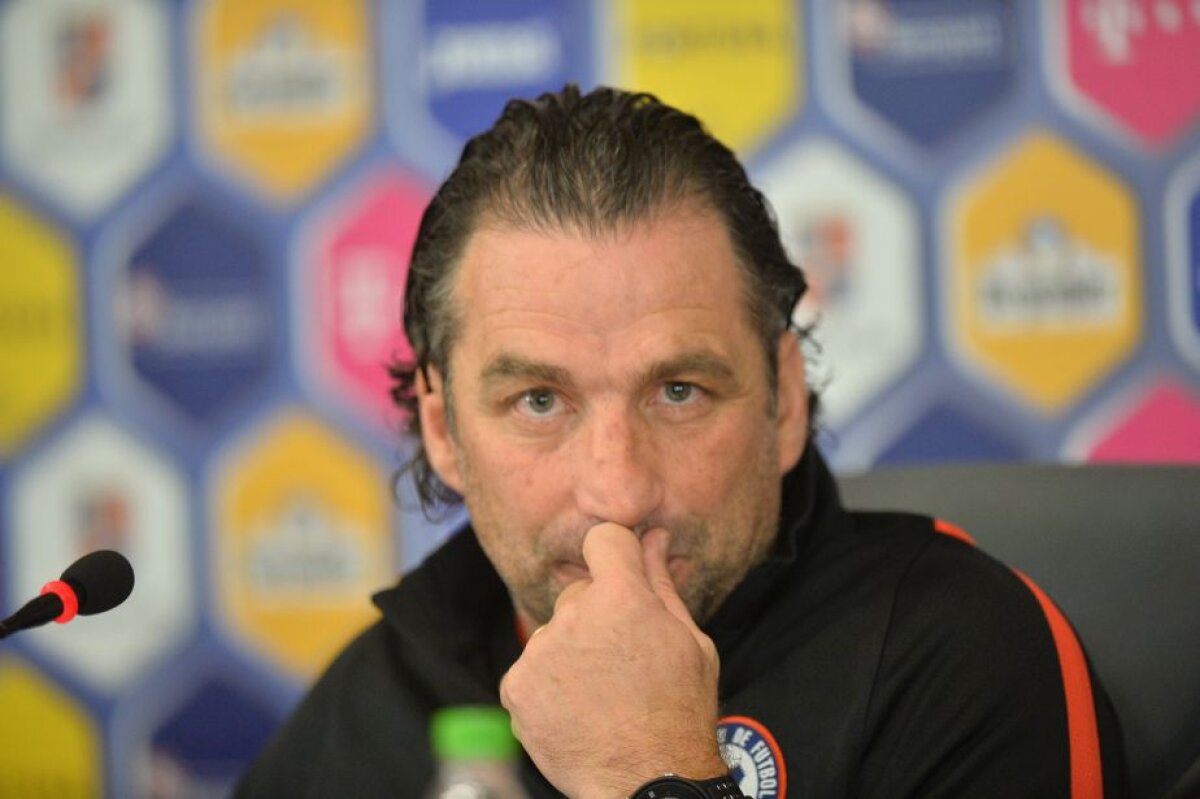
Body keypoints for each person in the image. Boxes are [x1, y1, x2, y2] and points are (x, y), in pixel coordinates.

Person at [237, 85, 1127, 798]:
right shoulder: (373, 703)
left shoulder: (961, 655)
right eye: (539, 401)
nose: (619, 493)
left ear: (784, 400)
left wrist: (652, 773)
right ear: (444, 430)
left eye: (678, 391)